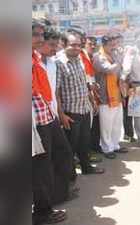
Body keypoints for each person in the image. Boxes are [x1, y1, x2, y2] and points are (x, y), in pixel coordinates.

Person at [32, 19, 67, 224]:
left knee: (60, 154)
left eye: (41, 35)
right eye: (35, 34)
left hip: (46, 115)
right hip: (34, 123)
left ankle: (51, 200)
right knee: (40, 169)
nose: (40, 39)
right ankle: (42, 213)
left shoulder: (34, 58)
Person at [56, 32, 105, 174]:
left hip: (84, 108)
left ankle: (86, 168)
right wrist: (61, 114)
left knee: (84, 143)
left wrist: (91, 97)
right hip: (71, 113)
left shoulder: (79, 60)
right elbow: (56, 92)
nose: (77, 48)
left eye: (79, 45)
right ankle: (70, 178)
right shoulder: (59, 64)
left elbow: (83, 83)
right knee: (70, 148)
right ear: (64, 45)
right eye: (73, 45)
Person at [92, 33, 127, 159]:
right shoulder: (98, 57)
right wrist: (119, 60)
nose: (114, 47)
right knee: (106, 125)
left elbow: (119, 72)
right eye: (111, 45)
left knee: (117, 123)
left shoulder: (114, 56)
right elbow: (109, 70)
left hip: (117, 94)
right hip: (105, 96)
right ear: (104, 45)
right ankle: (107, 148)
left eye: (115, 44)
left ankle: (115, 145)